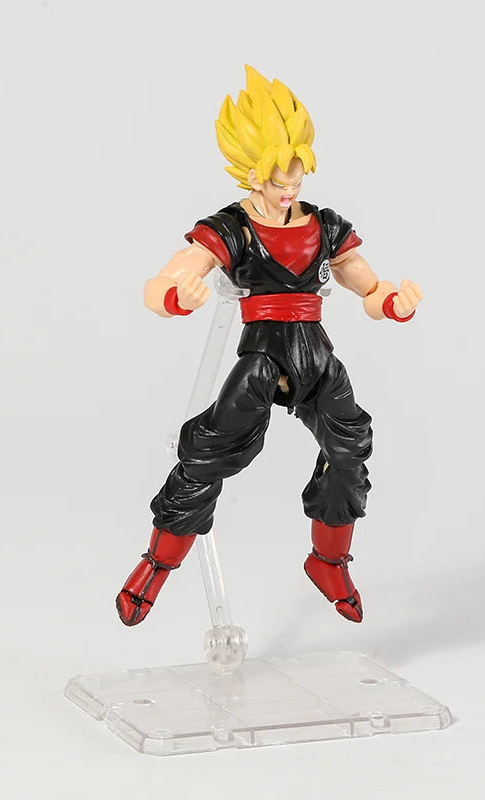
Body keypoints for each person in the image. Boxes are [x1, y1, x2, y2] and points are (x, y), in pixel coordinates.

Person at [116, 66, 422, 626]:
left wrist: (393, 302)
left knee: (350, 447)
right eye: (280, 179)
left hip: (316, 355)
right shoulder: (232, 228)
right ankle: (156, 566)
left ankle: (329, 561)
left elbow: (368, 286)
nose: (290, 189)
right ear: (252, 172)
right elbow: (167, 279)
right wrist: (175, 296)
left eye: (297, 177)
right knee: (206, 454)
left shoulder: (324, 226)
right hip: (261, 357)